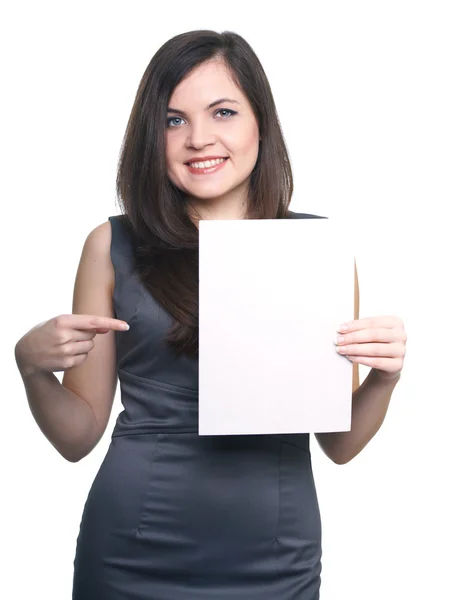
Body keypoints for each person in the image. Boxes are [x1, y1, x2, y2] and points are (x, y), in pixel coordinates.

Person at [14, 30, 407, 600]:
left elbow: (338, 445)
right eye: (173, 121)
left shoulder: (314, 248)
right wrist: (29, 366)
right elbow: (77, 436)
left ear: (259, 124)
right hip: (131, 549)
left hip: (275, 555)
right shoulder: (112, 244)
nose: (199, 139)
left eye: (222, 112)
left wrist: (386, 377)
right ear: (153, 137)